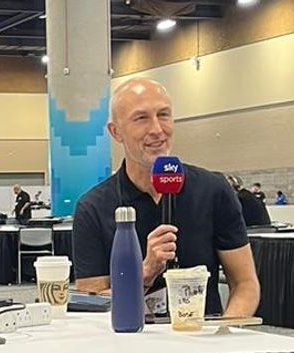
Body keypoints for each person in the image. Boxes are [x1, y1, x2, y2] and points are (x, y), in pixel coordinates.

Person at [72, 78, 260, 317]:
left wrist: (224, 334)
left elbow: (245, 284)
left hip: (202, 344)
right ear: (116, 132)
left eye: (163, 115)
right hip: (128, 344)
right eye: (141, 118)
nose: (157, 130)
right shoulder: (93, 208)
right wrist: (146, 272)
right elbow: (93, 304)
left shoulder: (213, 190)